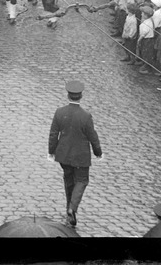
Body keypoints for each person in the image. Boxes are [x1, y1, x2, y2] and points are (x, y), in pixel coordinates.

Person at [48, 79, 102, 227]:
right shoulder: (86, 116)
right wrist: (98, 152)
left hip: (63, 156)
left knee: (69, 181)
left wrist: (51, 151)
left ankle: (69, 211)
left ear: (68, 96)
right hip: (81, 157)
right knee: (82, 181)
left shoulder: (59, 112)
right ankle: (72, 208)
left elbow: (53, 134)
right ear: (81, 96)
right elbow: (93, 136)